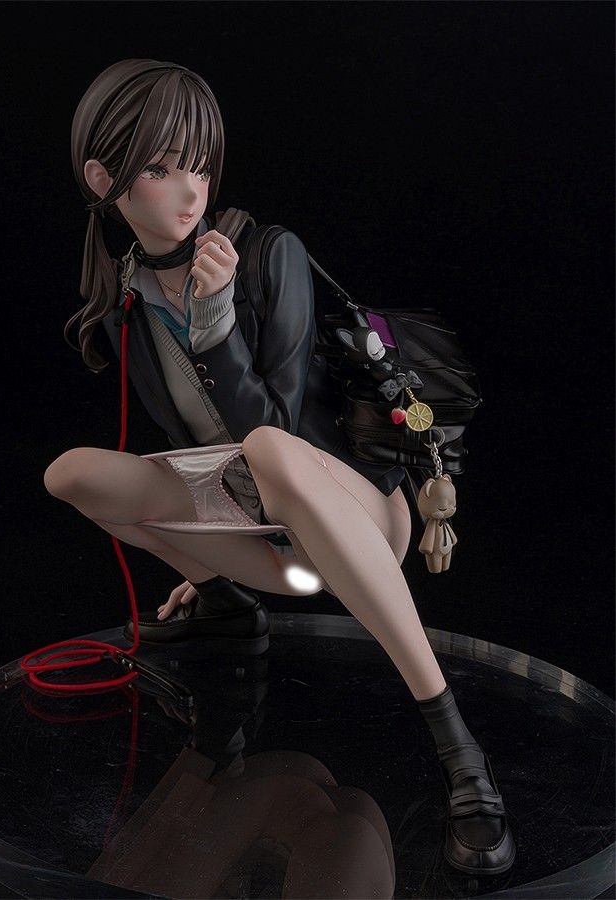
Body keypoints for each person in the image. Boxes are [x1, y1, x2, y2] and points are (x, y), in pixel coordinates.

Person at [43, 58, 515, 875]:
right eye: (160, 169)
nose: (188, 191)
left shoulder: (267, 257)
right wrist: (200, 555)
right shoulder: (126, 301)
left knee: (264, 447)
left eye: (198, 166)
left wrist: (215, 324)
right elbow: (200, 448)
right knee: (73, 474)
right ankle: (230, 608)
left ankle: (460, 752)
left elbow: (278, 432)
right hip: (268, 541)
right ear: (102, 178)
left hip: (356, 514)